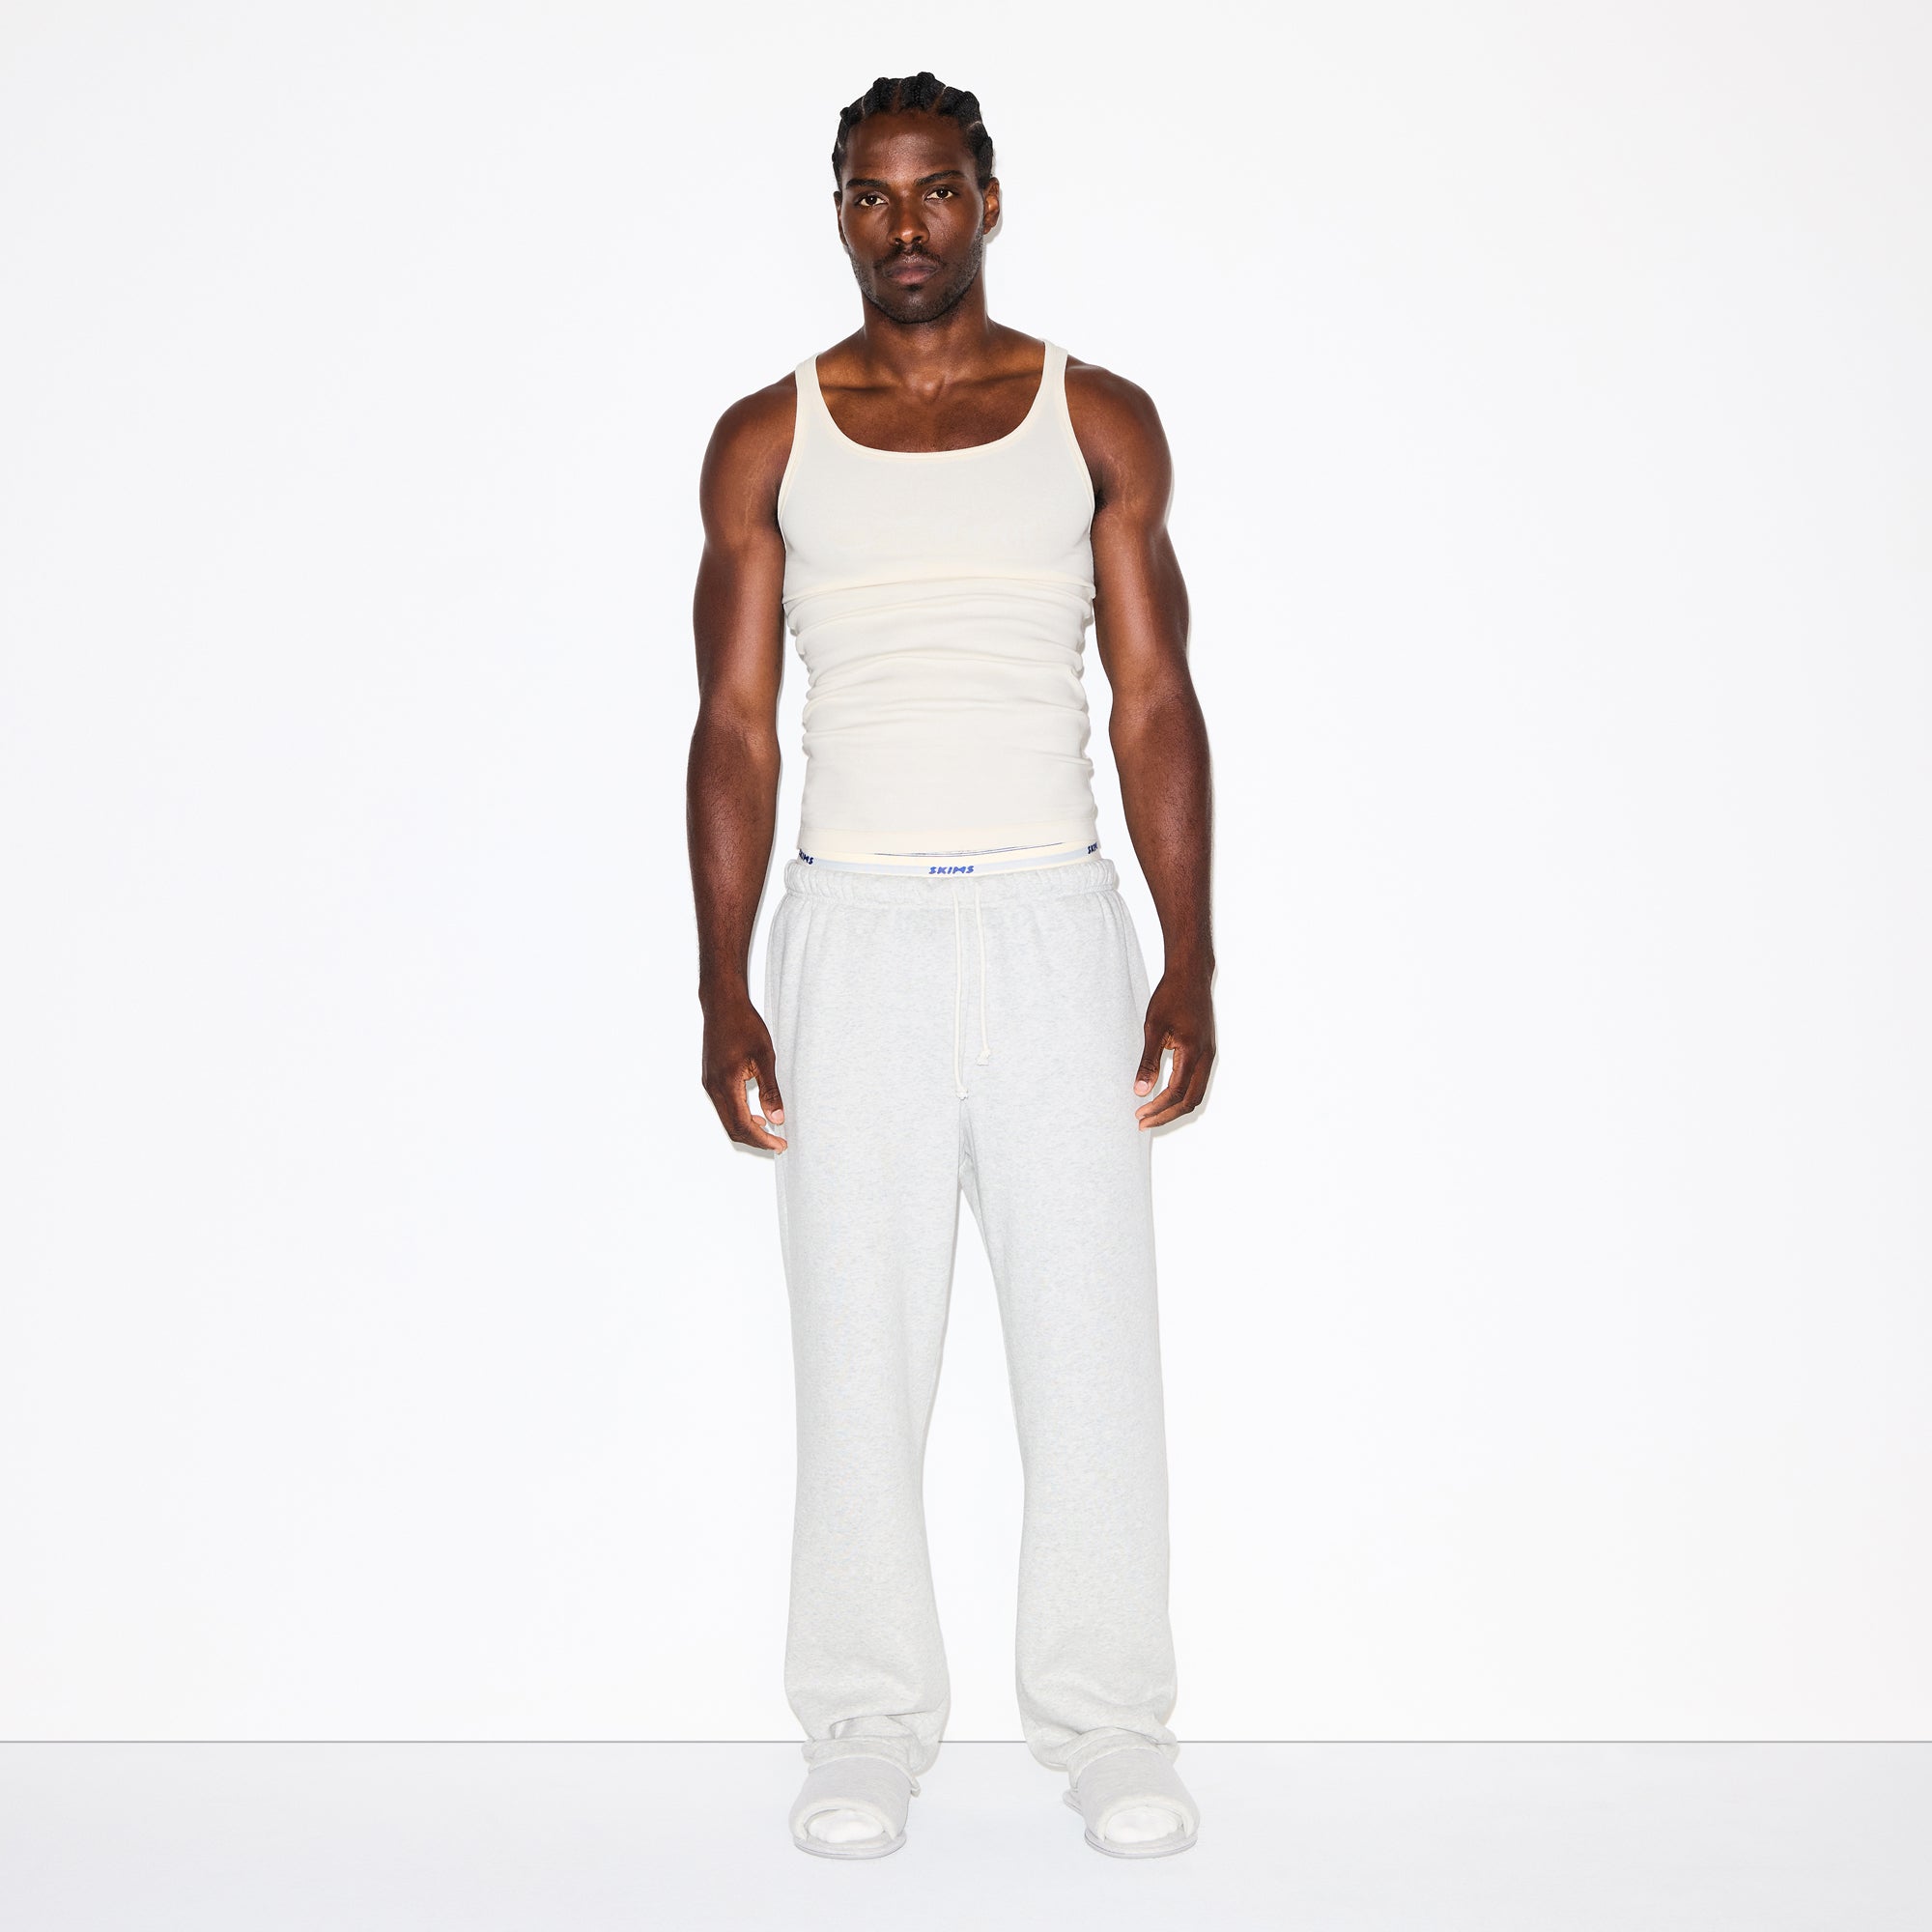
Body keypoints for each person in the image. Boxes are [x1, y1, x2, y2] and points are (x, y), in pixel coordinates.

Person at [686, 71, 1216, 1861]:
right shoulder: (767, 437)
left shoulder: (1096, 418)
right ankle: (862, 1728)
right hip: (855, 934)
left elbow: (1154, 699)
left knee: (1092, 1350)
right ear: (839, 211)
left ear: (990, 200)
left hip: (1058, 925)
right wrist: (724, 982)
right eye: (867, 194)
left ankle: (1111, 1727)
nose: (900, 224)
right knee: (857, 1356)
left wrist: (1189, 955)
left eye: (932, 191)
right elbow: (735, 726)